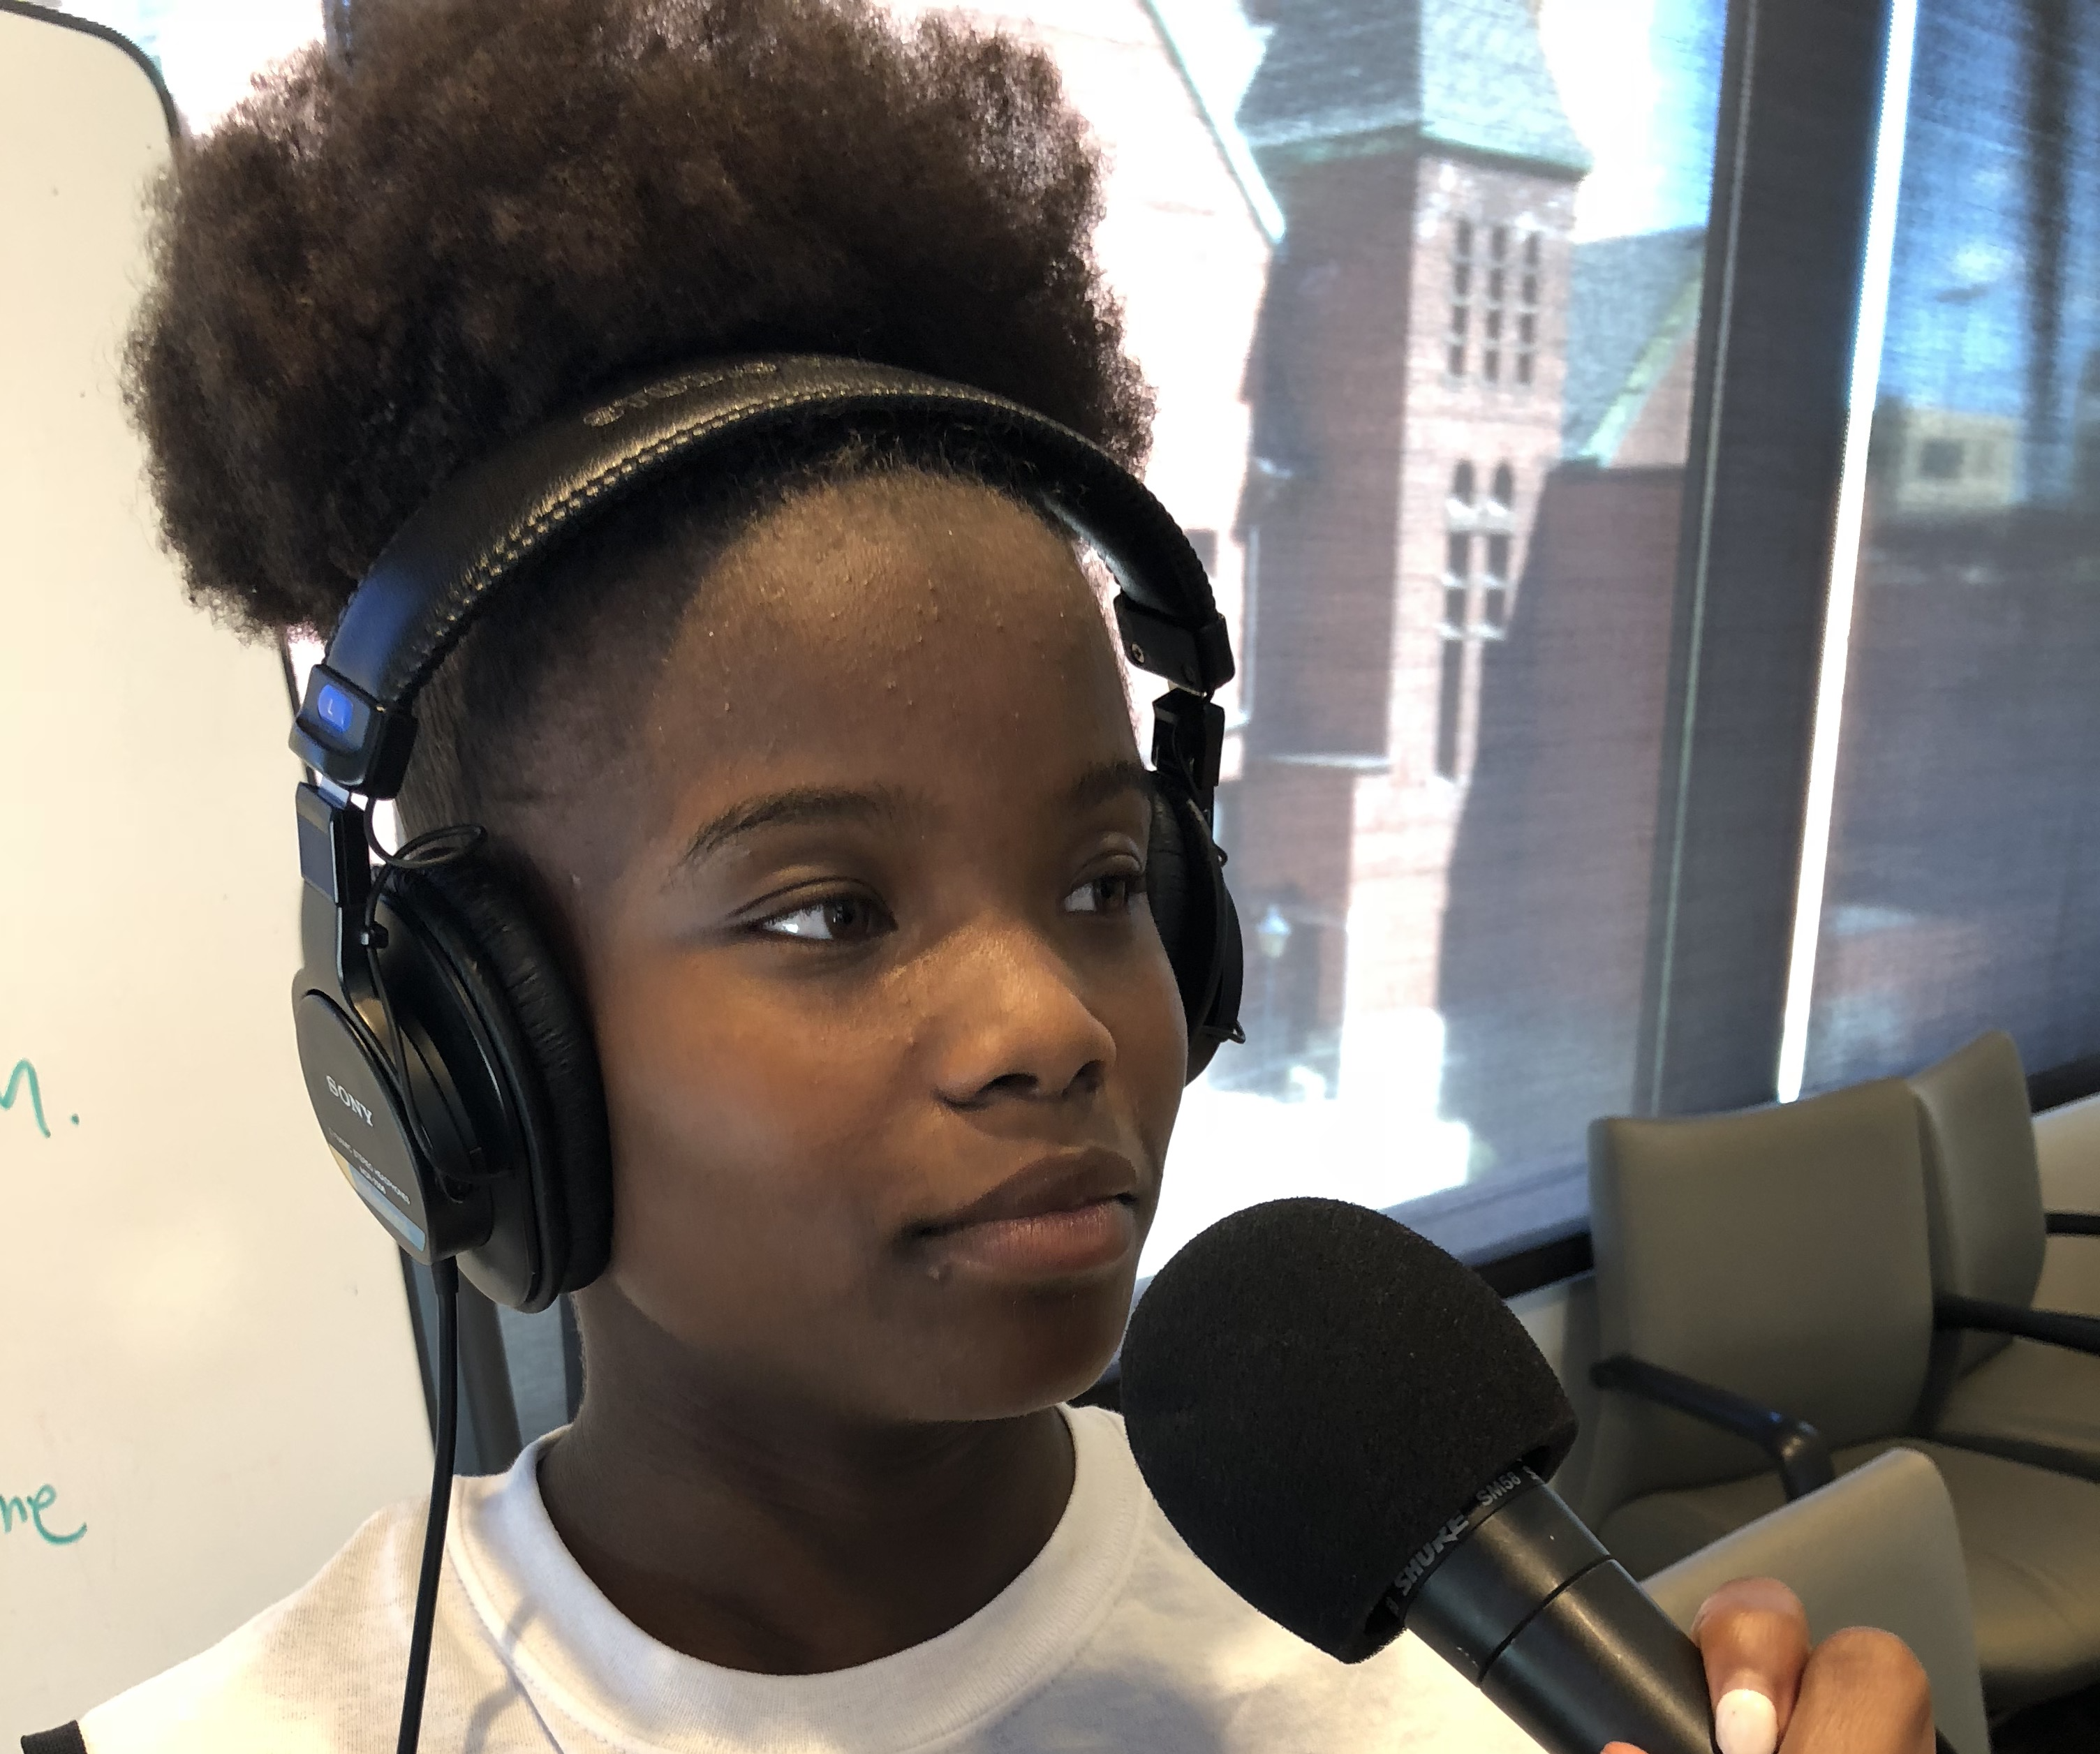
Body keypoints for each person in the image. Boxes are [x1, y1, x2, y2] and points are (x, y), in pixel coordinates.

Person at [66, 0, 1932, 1748]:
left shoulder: (1433, 1684)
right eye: (829, 913)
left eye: (1106, 883)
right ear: (471, 1057)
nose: (1053, 1024)